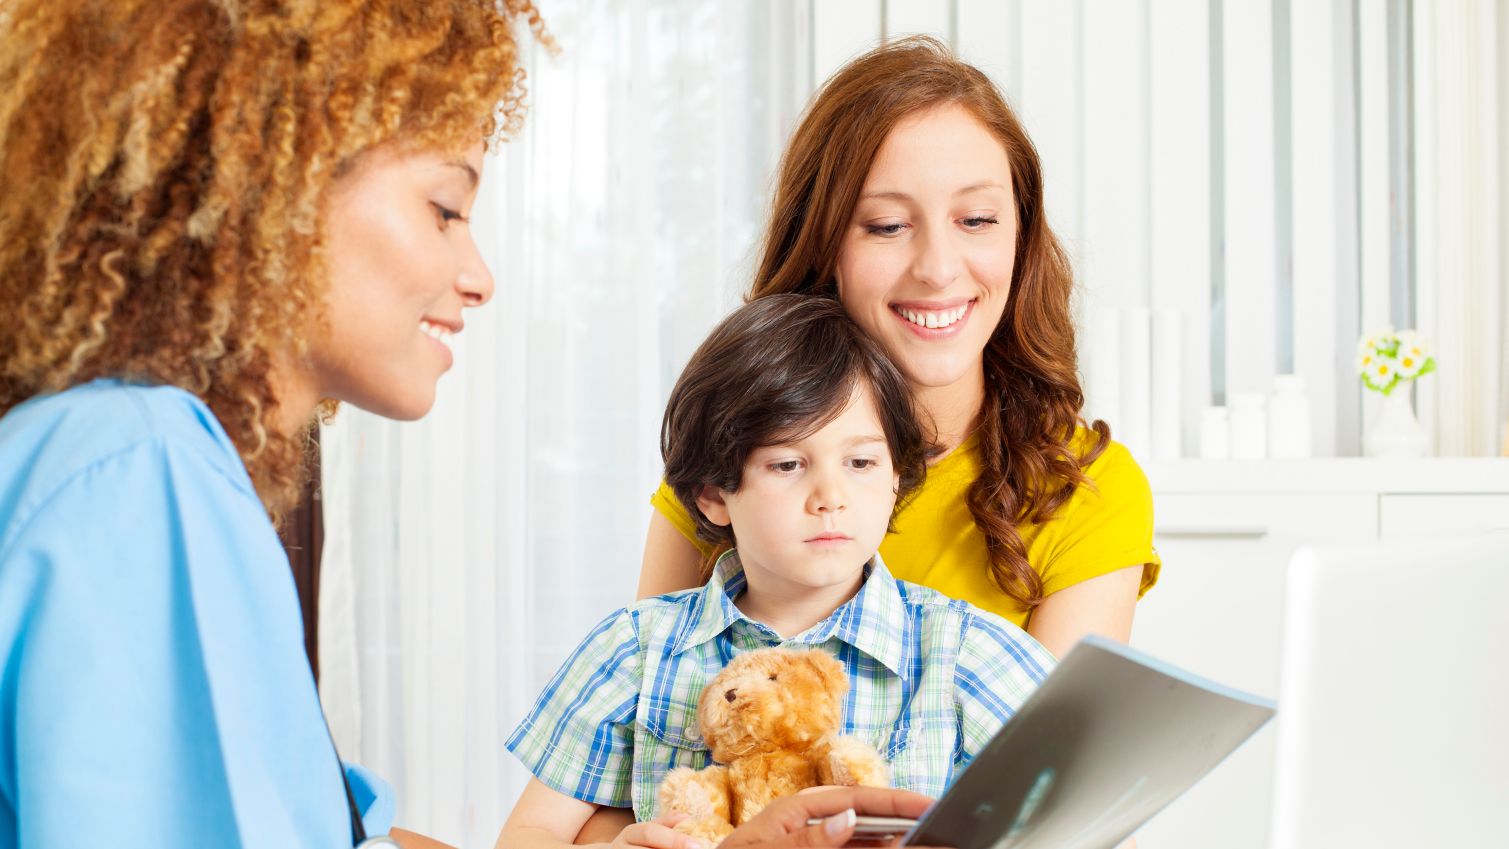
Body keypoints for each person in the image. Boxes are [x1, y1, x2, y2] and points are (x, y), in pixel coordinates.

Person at [0, 4, 941, 847]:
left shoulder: (129, 459)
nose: (479, 274)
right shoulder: (138, 472)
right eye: (444, 208)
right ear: (266, 188)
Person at [639, 36, 1159, 662]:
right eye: (887, 226)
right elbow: (642, 716)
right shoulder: (737, 445)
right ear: (822, 242)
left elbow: (1057, 761)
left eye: (977, 220)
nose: (939, 269)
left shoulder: (1086, 490)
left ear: (1021, 236)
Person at [499, 296, 1055, 849]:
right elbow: (530, 833)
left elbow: (1086, 823)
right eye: (788, 464)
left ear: (894, 478)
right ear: (714, 495)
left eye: (860, 462)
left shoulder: (967, 653)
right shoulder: (634, 649)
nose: (831, 497)